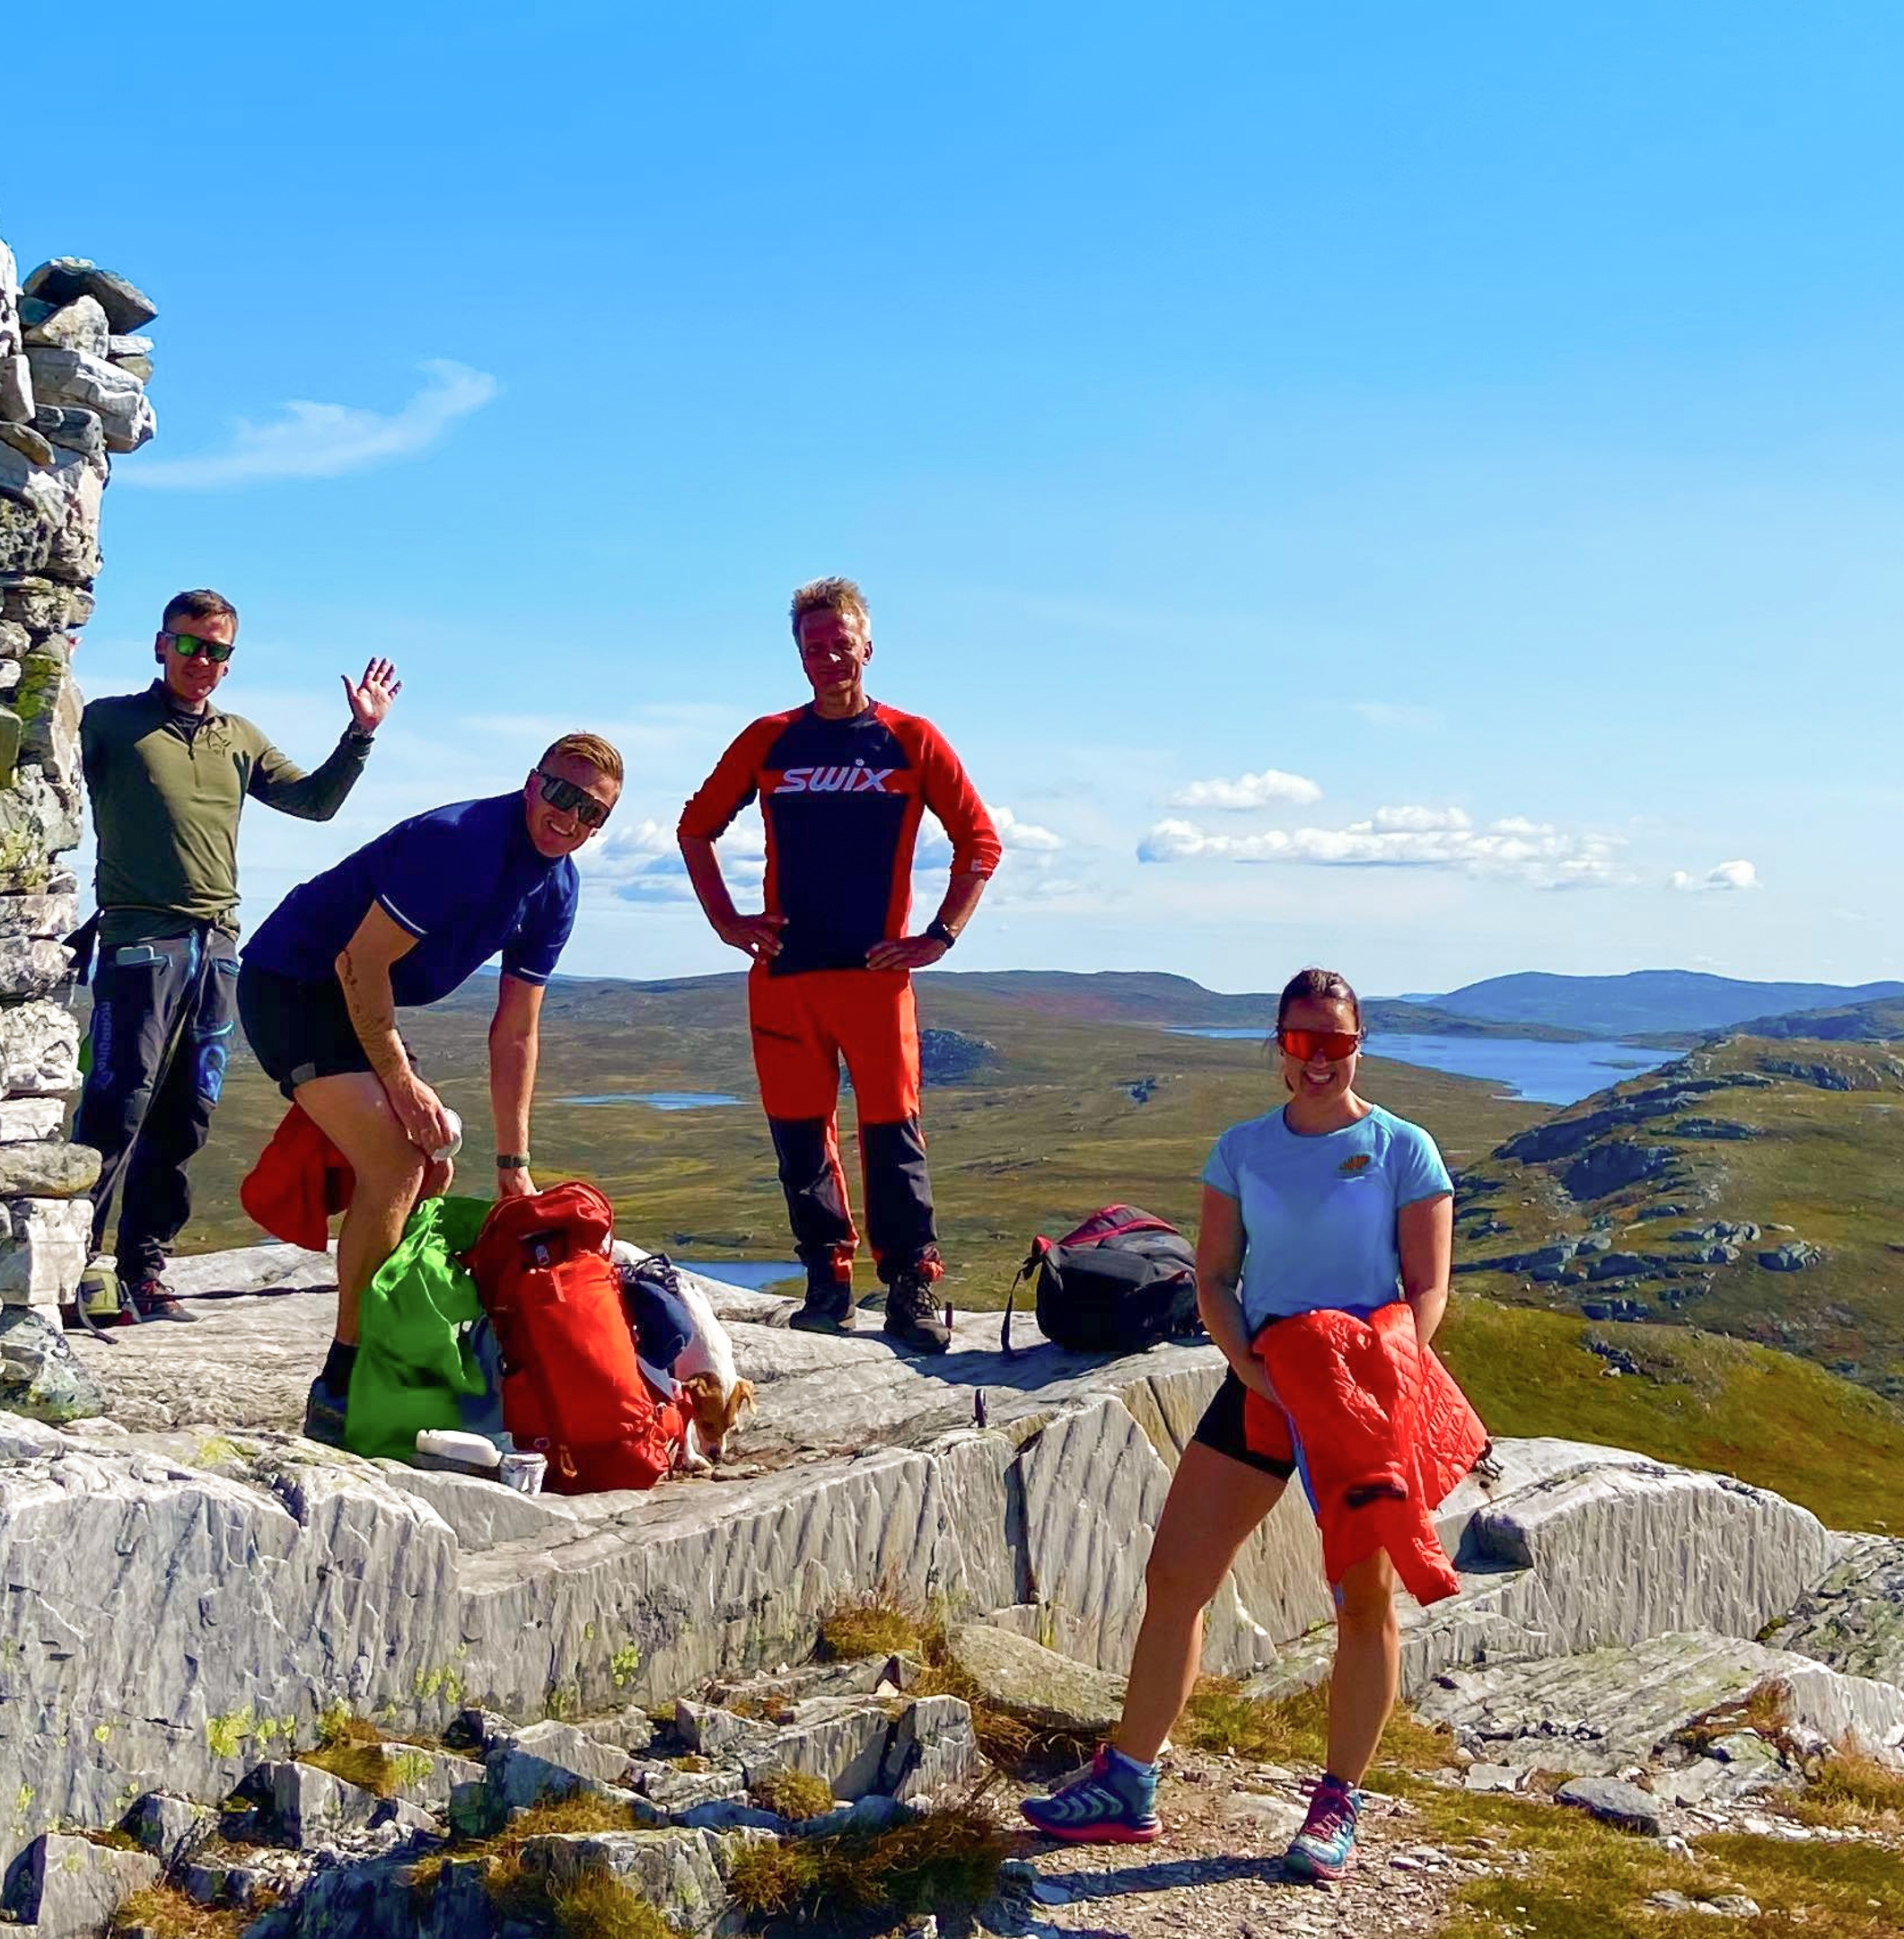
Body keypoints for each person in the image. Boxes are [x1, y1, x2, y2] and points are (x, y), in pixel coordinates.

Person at [1019, 967, 1460, 1882]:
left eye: (1335, 1042)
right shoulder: (1242, 1150)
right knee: (1176, 1575)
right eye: (1301, 1041)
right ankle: (1127, 1783)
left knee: (1363, 1600)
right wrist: (1253, 1367)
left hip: (1366, 1397)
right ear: (1279, 1045)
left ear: (1359, 1045)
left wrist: (1383, 1376)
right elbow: (1215, 1276)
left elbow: (1427, 1290)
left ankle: (1337, 1804)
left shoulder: (1404, 1149)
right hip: (1264, 1383)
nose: (1318, 1060)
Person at [237, 733, 624, 1443]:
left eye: (592, 813)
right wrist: (402, 1085)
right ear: (532, 782)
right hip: (295, 982)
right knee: (395, 1158)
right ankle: (344, 1380)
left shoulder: (558, 888)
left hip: (355, 995)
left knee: (435, 1162)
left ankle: (396, 1330)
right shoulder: (461, 843)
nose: (570, 818)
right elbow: (360, 963)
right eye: (561, 794)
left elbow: (516, 1031)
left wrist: (514, 1166)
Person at [676, 576, 1000, 1354]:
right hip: (785, 978)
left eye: (840, 643)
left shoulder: (910, 738)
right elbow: (696, 827)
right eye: (813, 647)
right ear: (799, 655)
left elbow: (979, 841)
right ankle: (827, 1282)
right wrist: (727, 922)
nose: (828, 658)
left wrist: (940, 936)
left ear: (867, 647)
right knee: (800, 1138)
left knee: (893, 1135)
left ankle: (912, 1285)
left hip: (876, 981)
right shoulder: (770, 739)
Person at [73, 589, 401, 1325]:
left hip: (217, 947)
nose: (202, 661)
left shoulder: (239, 737)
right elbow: (46, 766)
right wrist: (52, 684)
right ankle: (75, 1266)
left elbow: (315, 803)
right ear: (161, 645)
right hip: (139, 942)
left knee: (187, 1111)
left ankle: (143, 1270)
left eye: (217, 651)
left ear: (229, 660)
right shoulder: (110, 722)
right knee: (117, 1102)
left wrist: (360, 734)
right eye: (190, 645)